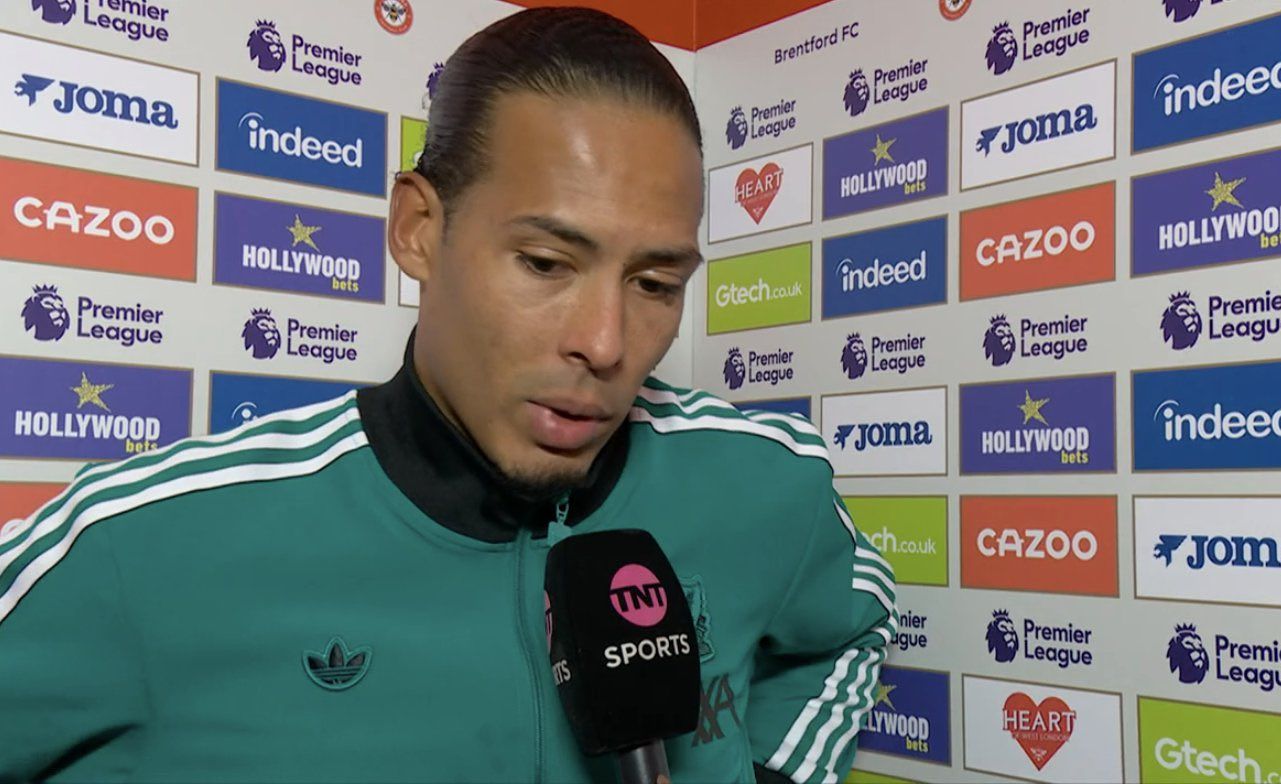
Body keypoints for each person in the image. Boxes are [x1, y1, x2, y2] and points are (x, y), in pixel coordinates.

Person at [0, 7, 896, 783]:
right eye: (545, 263)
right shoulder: (140, 547)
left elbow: (853, 626)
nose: (606, 343)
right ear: (419, 229)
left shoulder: (763, 480)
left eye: (656, 283)